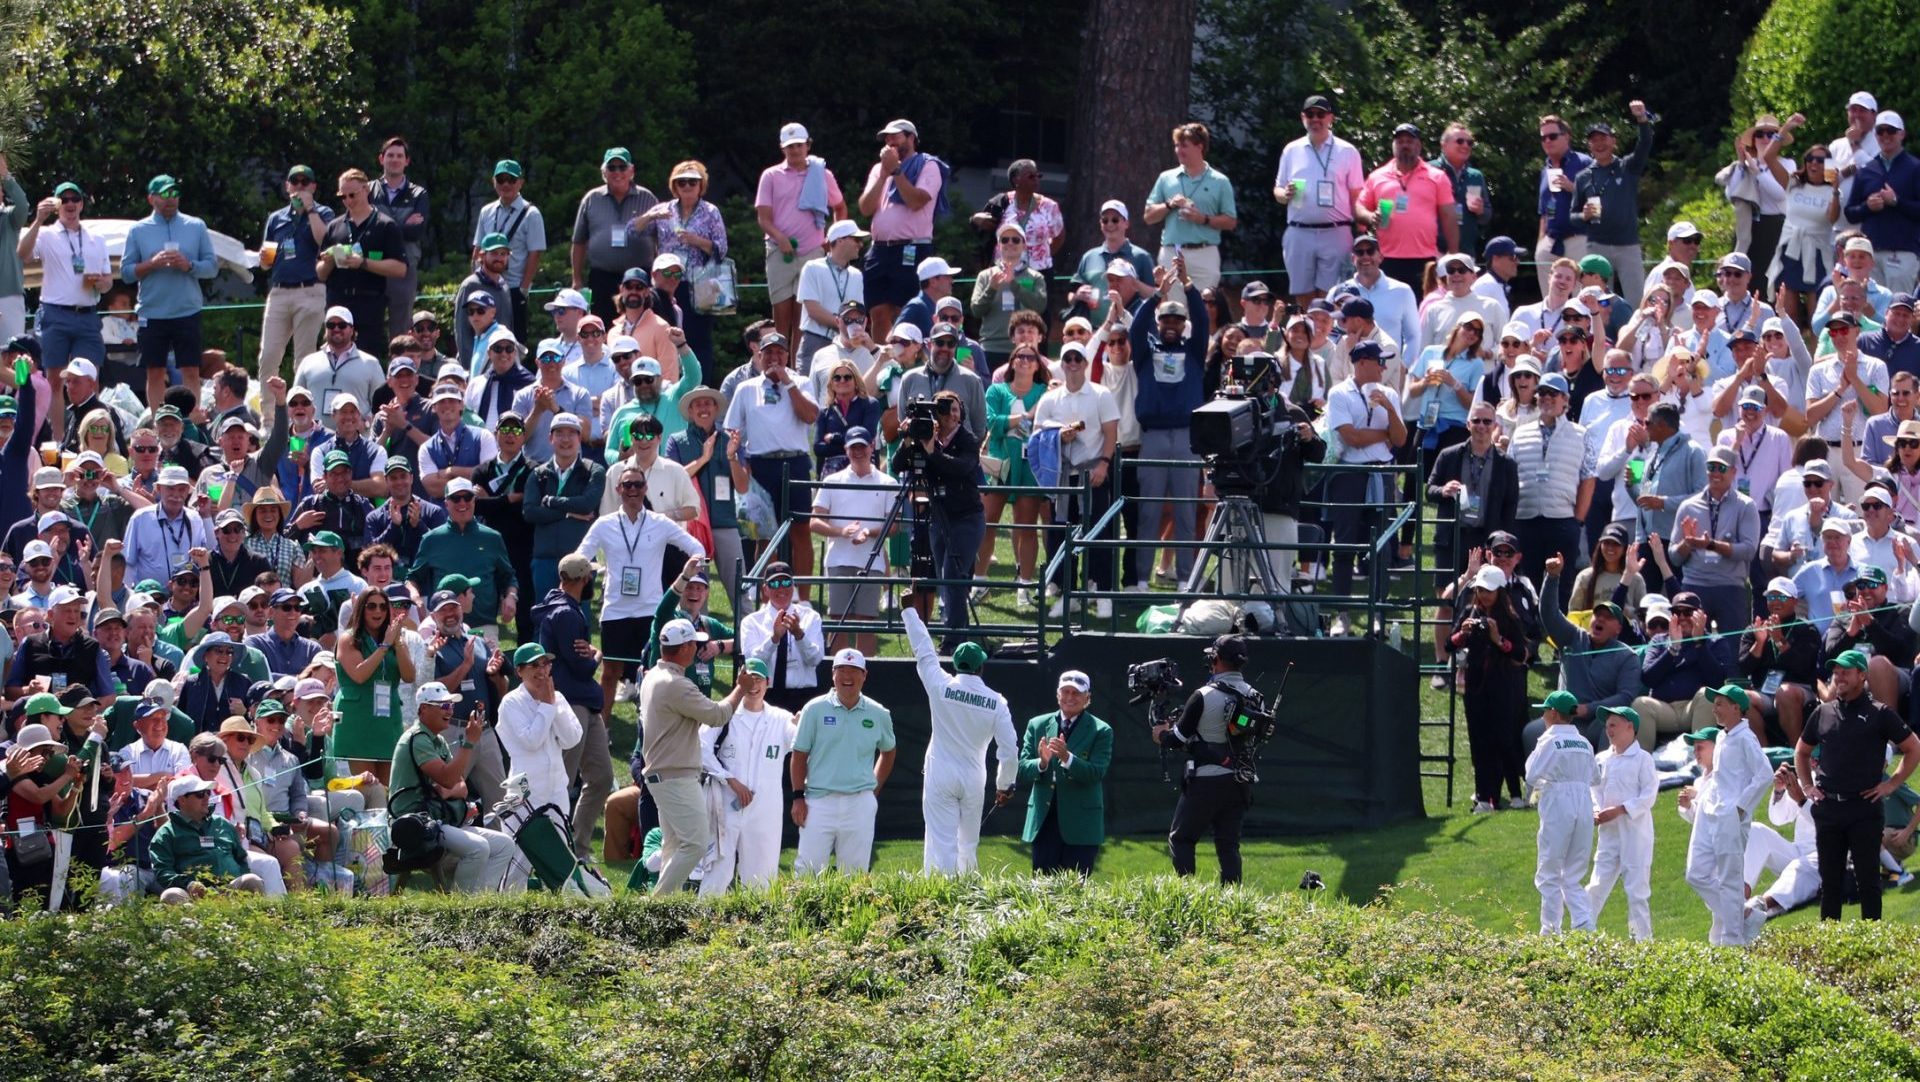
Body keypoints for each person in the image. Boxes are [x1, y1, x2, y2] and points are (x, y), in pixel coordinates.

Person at [1796, 649, 1920, 922]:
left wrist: (1892, 784)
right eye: (1836, 672)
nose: (1838, 678)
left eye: (1845, 672)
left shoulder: (1880, 713)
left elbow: (1913, 748)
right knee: (1830, 884)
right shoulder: (1823, 712)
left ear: (1861, 675)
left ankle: (1871, 950)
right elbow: (1801, 751)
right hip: (1829, 807)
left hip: (1864, 808)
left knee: (1868, 883)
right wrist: (1807, 786)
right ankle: (1830, 948)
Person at [575, 460, 703, 711]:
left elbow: (695, 548)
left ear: (646, 488)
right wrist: (585, 570)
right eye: (627, 485)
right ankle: (604, 731)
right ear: (618, 489)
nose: (632, 489)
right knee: (610, 672)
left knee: (652, 674)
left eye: (637, 484)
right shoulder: (604, 524)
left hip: (650, 610)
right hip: (615, 609)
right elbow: (581, 555)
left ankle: (647, 730)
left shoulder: (660, 522)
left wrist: (691, 570)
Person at [900, 607, 1015, 875]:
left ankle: (939, 901)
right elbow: (1009, 749)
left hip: (941, 770)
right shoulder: (997, 702)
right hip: (974, 775)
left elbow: (924, 651)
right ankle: (966, 898)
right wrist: (1005, 784)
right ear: (981, 666)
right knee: (968, 844)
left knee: (940, 842)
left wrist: (909, 612)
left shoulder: (941, 686)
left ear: (956, 664)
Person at [389, 680, 518, 893]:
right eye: (444, 706)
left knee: (505, 845)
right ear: (423, 709)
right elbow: (450, 779)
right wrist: (469, 743)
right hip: (416, 823)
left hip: (437, 818)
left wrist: (447, 789)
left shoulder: (437, 740)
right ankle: (460, 906)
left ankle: (480, 902)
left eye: (451, 706)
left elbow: (460, 786)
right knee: (478, 848)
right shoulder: (417, 738)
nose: (449, 711)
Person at [1150, 635, 1261, 883]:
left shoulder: (1203, 695)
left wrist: (1161, 735)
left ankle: (1188, 897)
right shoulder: (1255, 695)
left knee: (1181, 839)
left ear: (1216, 659)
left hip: (1206, 781)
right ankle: (1233, 903)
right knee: (1229, 846)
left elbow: (1177, 739)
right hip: (1240, 781)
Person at [692, 657, 796, 895]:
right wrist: (730, 779)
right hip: (725, 805)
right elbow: (700, 746)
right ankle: (705, 925)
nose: (753, 684)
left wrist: (803, 723)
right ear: (740, 681)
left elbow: (798, 741)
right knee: (717, 872)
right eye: (748, 678)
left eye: (758, 678)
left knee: (762, 878)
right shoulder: (725, 713)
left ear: (768, 683)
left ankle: (759, 929)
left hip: (764, 808)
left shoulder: (780, 718)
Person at [1324, 341, 1407, 635]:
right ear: (1362, 363)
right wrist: (1383, 433)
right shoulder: (1338, 393)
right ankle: (1342, 614)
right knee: (1344, 544)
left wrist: (1389, 411)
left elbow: (1399, 440)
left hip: (1381, 474)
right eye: (1379, 362)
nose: (1384, 368)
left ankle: (1378, 614)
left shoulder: (1391, 394)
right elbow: (1351, 438)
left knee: (1382, 547)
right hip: (1349, 474)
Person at [789, 647, 895, 875]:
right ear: (833, 674)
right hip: (818, 802)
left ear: (864, 675)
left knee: (854, 875)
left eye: (854, 671)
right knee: (807, 872)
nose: (848, 677)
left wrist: (872, 789)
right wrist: (798, 797)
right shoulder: (814, 709)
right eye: (842, 670)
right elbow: (799, 754)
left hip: (860, 803)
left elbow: (889, 751)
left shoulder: (879, 713)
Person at [1682, 685, 1774, 946]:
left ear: (1737, 707)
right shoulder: (1723, 736)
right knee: (1695, 874)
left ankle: (1733, 942)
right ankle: (1745, 914)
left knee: (1730, 881)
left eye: (1720, 703)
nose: (1715, 708)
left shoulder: (1746, 738)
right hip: (1711, 811)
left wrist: (1741, 807)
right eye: (1715, 703)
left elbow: (1764, 774)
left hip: (1730, 816)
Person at [894, 390, 984, 650]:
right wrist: (908, 439)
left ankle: (953, 640)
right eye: (945, 409)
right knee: (945, 577)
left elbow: (961, 467)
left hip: (966, 518)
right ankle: (957, 634)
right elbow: (899, 465)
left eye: (955, 409)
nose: (950, 415)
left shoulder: (967, 440)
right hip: (938, 518)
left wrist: (933, 451)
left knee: (953, 576)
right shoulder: (925, 437)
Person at [756, 123, 848, 350]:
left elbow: (840, 207)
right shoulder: (771, 175)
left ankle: (797, 369)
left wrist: (833, 238)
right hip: (779, 252)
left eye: (798, 145)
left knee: (803, 317)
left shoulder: (822, 174)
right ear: (782, 148)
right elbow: (763, 218)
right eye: (789, 146)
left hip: (812, 251)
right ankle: (778, 364)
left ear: (808, 145)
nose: (795, 150)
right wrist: (781, 238)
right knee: (781, 314)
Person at [1273, 94, 1371, 305]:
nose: (1315, 119)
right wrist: (1285, 194)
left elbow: (1356, 196)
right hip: (1299, 231)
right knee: (1302, 293)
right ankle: (1307, 333)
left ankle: (1327, 336)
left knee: (1333, 294)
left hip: (1336, 231)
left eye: (1320, 114)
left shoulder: (1348, 151)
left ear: (1330, 118)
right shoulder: (1291, 150)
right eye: (1310, 114)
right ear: (1303, 118)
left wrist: (1362, 229)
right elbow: (1278, 190)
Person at [1448, 565, 1530, 812]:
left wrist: (1498, 640)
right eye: (1481, 590)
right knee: (1479, 743)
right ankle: (1484, 797)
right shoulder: (1468, 612)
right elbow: (1449, 644)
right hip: (1476, 689)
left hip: (1504, 688)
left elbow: (1520, 652)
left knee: (1505, 740)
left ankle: (1515, 793)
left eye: (1489, 591)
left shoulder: (1510, 619)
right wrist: (1462, 635)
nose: (1483, 595)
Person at [18, 180, 113, 392]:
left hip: (87, 314)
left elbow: (108, 283)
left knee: (90, 378)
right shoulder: (46, 233)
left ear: (81, 204)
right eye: (65, 199)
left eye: (75, 199)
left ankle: (89, 424)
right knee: (54, 379)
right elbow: (22, 254)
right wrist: (39, 219)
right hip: (55, 313)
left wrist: (102, 283)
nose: (70, 203)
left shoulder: (96, 238)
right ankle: (56, 427)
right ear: (57, 205)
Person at [809, 428, 896, 654]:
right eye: (853, 447)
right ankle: (837, 674)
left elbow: (894, 526)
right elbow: (814, 521)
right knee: (838, 619)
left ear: (872, 446)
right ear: (846, 450)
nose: (858, 452)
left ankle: (866, 675)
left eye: (862, 447)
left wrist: (868, 533)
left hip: (872, 562)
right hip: (838, 561)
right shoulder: (832, 480)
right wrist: (842, 531)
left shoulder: (888, 482)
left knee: (866, 622)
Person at [857, 119, 946, 338]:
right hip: (879, 249)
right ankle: (880, 360)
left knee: (904, 310)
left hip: (911, 248)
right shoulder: (879, 169)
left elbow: (916, 201)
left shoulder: (928, 165)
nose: (889, 141)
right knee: (877, 311)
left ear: (911, 138)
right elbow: (866, 208)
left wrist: (897, 171)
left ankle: (906, 357)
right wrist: (884, 175)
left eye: (895, 136)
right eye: (886, 138)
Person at [1017, 669, 1111, 875]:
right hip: (1044, 821)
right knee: (1042, 890)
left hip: (1081, 825)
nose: (1070, 697)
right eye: (1065, 692)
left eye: (1076, 693)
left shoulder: (1101, 730)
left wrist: (1067, 758)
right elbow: (1022, 769)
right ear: (1058, 695)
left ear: (1088, 698)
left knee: (1077, 891)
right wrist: (1041, 763)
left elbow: (1096, 773)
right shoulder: (1037, 724)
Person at [1524, 691, 1599, 935]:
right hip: (1584, 802)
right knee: (1573, 874)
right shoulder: (1585, 742)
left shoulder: (1549, 740)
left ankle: (1549, 931)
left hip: (1558, 801)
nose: (1543, 714)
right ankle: (1584, 925)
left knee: (1549, 871)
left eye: (1545, 710)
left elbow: (1532, 774)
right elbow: (1596, 777)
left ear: (1554, 713)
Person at [1585, 705, 1658, 941]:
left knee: (1636, 891)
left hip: (1635, 835)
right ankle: (1581, 936)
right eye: (1607, 725)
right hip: (1609, 834)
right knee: (1596, 885)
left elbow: (1649, 795)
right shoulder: (1602, 758)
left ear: (1630, 727)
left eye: (1614, 724)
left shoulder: (1643, 759)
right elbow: (1594, 789)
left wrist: (1620, 810)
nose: (1609, 730)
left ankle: (1642, 945)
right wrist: (1597, 810)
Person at [1361, 123, 1458, 293]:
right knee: (1388, 311)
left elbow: (1449, 216)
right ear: (1393, 146)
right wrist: (1370, 217)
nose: (1404, 145)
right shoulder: (1378, 176)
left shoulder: (1437, 176)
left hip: (1425, 259)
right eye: (1400, 141)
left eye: (1409, 141)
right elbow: (1359, 207)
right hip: (1386, 258)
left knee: (1423, 310)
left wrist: (1454, 255)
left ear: (1418, 146)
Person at [1143, 122, 1237, 290]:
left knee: (1203, 310)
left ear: (1199, 147)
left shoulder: (1220, 181)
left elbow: (1231, 221)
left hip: (1205, 254)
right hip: (1172, 254)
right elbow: (1148, 216)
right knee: (1172, 312)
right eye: (1177, 145)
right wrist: (1169, 205)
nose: (1179, 150)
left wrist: (1203, 219)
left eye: (1184, 145)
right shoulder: (1166, 178)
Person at [315, 169, 406, 341]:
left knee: (368, 357)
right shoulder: (334, 227)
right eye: (343, 196)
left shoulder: (385, 225)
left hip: (369, 303)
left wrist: (363, 263)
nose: (348, 200)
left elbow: (400, 268)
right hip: (338, 302)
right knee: (335, 355)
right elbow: (320, 272)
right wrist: (331, 261)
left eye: (352, 195)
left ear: (366, 190)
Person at [571, 147, 659, 325]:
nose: (617, 172)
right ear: (604, 172)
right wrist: (577, 279)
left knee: (642, 326)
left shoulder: (648, 198)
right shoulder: (591, 199)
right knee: (601, 327)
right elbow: (579, 241)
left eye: (622, 167)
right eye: (612, 168)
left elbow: (661, 239)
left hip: (639, 278)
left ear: (631, 171)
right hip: (602, 278)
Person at [149, 775, 264, 904]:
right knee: (170, 894)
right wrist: (189, 884)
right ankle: (193, 922)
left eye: (207, 793)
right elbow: (163, 872)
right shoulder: (166, 833)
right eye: (199, 794)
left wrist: (239, 876)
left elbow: (241, 859)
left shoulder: (223, 824)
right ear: (182, 800)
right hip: (191, 895)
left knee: (251, 880)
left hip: (230, 890)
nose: (206, 797)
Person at [1842, 110, 1920, 295]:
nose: (1885, 135)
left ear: (1901, 133)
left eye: (1891, 131)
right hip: (1870, 253)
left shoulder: (1915, 168)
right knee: (1871, 309)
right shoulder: (1867, 170)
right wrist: (1867, 207)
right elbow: (1850, 212)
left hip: (1902, 250)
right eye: (1880, 131)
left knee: (1899, 307)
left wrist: (1896, 201)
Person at [471, 160, 545, 342]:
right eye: (501, 179)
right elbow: (478, 247)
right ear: (493, 182)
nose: (505, 184)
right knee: (483, 338)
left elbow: (535, 253)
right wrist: (474, 279)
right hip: (486, 285)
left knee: (514, 341)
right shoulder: (486, 211)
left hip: (513, 286)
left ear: (520, 182)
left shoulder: (531, 213)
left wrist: (524, 288)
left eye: (511, 180)